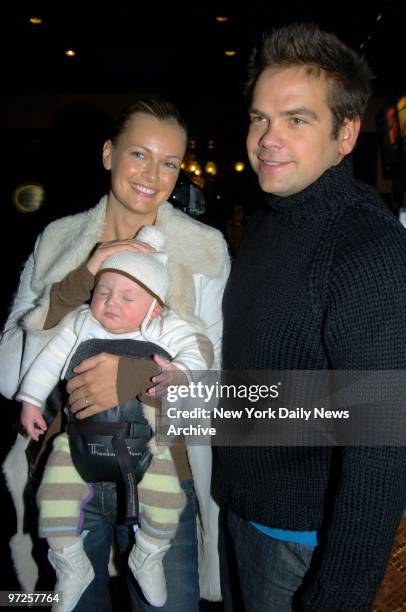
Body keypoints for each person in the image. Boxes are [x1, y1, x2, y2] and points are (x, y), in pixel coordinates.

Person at [1, 98, 230, 612]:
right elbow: (8, 369)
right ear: (109, 154)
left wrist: (133, 377)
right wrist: (80, 280)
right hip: (70, 469)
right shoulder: (58, 240)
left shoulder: (204, 250)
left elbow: (213, 386)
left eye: (170, 162)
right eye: (139, 155)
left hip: (163, 471)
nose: (153, 175)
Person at [215, 22, 406, 611]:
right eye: (259, 118)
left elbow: (383, 436)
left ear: (345, 134)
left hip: (306, 546)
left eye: (297, 120)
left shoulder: (364, 246)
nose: (267, 138)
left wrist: (340, 594)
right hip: (241, 512)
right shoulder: (268, 223)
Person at [17, 226, 214, 611]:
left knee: (166, 500)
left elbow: (197, 354)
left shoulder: (167, 326)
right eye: (103, 292)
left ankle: (149, 554)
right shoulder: (79, 323)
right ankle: (69, 561)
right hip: (76, 443)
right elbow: (48, 363)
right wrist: (30, 400)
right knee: (53, 498)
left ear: (155, 306)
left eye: (127, 296)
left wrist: (177, 374)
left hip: (147, 446)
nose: (110, 303)